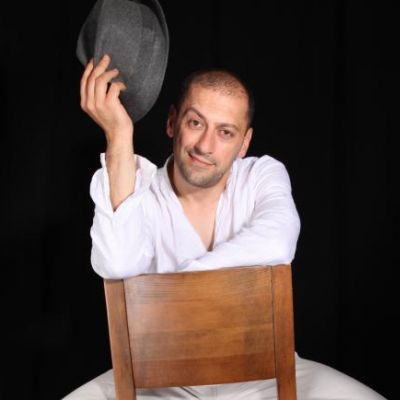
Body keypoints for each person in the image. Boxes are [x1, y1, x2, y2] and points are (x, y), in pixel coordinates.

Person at [62, 54, 386, 399]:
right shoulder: (136, 188)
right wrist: (119, 134)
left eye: (225, 132)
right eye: (195, 123)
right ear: (172, 122)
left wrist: (171, 291)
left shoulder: (261, 175)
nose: (205, 146)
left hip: (262, 377)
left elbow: (278, 242)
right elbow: (116, 264)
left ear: (244, 143)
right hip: (158, 381)